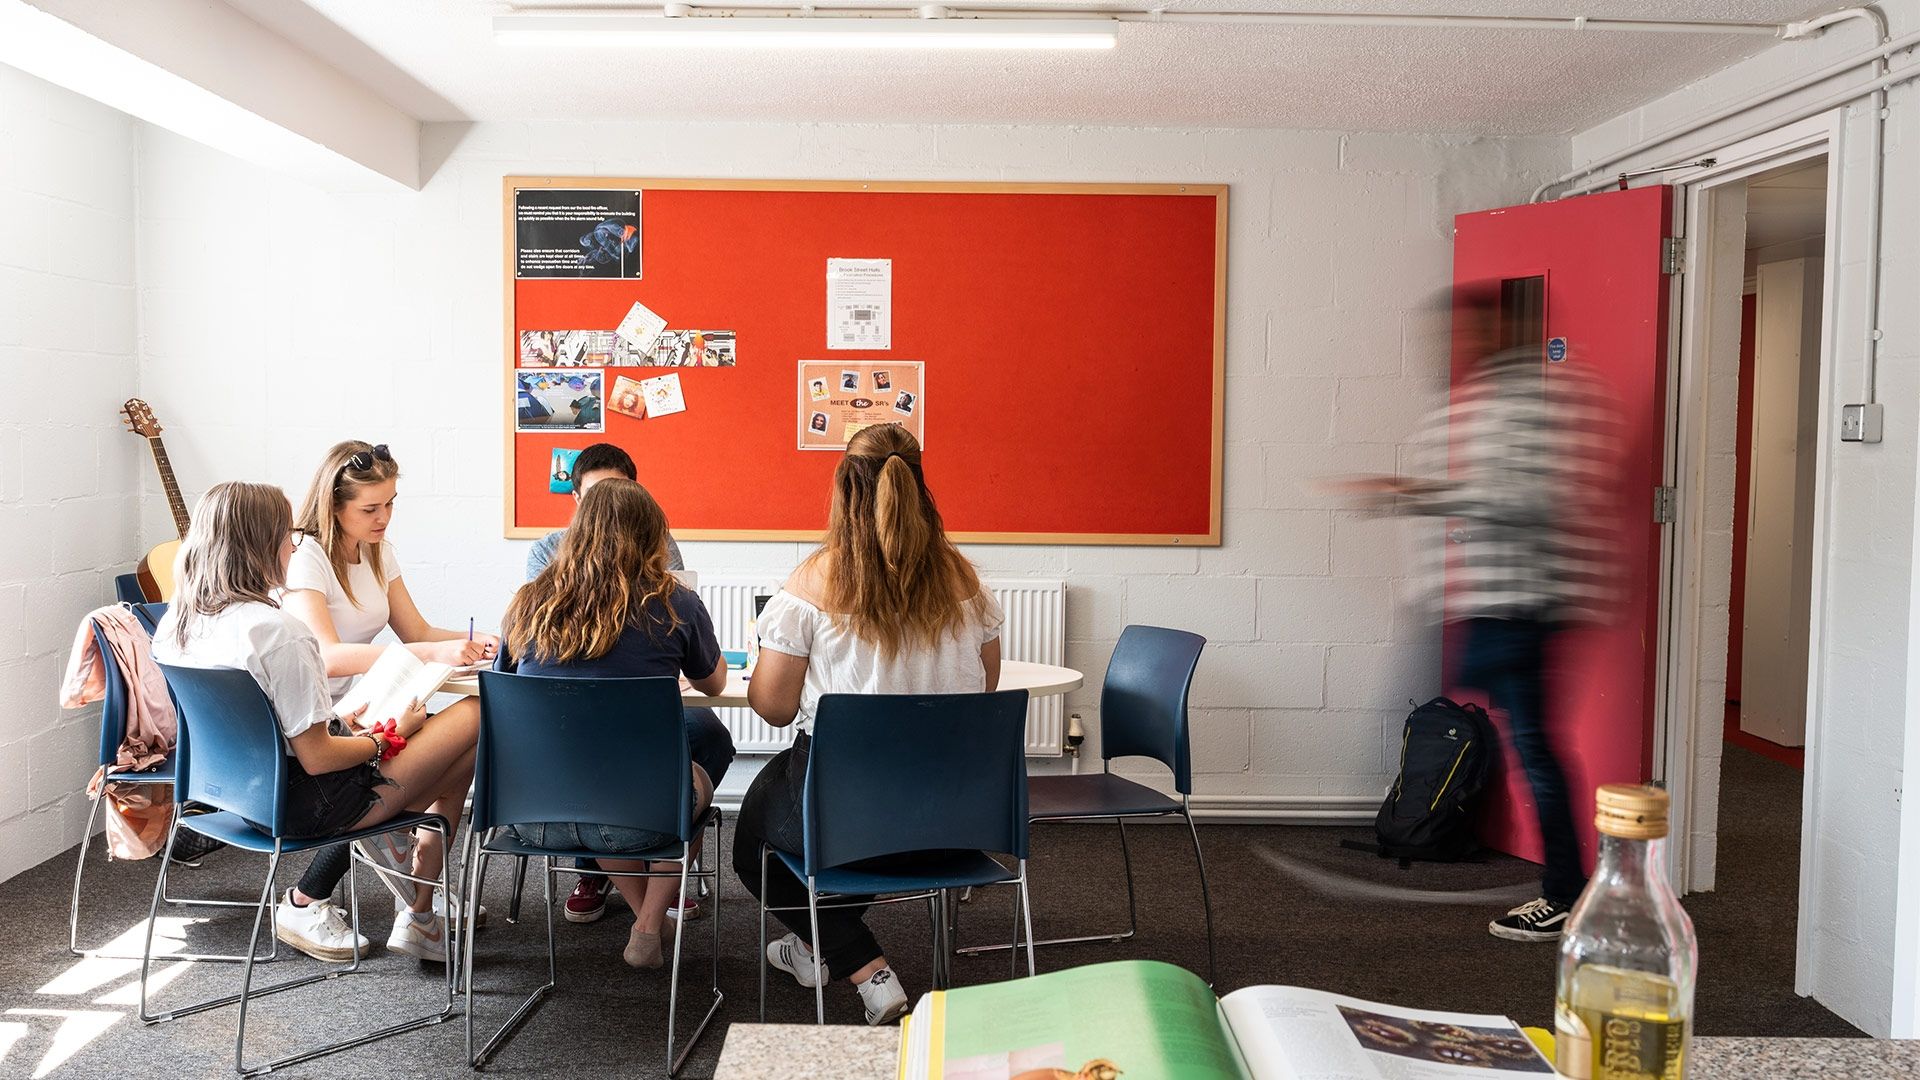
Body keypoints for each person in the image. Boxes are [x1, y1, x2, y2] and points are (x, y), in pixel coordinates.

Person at [1344, 285, 1616, 943]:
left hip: (1529, 601)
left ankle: (1565, 894)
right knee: (1524, 741)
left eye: (1462, 336)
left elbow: (1522, 499)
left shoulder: (1535, 400)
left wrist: (1415, 492)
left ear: (1496, 331)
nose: (1450, 351)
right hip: (1501, 601)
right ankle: (1568, 886)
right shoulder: (1490, 400)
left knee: (1535, 748)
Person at [737, 423, 1004, 1025]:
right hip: (951, 816)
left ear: (843, 487)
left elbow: (775, 707)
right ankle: (817, 945)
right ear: (917, 484)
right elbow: (984, 687)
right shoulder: (965, 582)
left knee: (753, 842)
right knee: (835, 833)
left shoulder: (810, 584)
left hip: (848, 813)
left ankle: (864, 967)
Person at [151, 482, 480, 963]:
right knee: (472, 716)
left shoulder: (177, 623)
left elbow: (269, 724)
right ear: (262, 544)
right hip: (311, 804)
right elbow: (320, 757)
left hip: (238, 796)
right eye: (287, 534)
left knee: (455, 755)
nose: (294, 545)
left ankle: (418, 906)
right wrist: (384, 738)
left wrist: (340, 722)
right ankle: (417, 909)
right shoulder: (279, 632)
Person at [495, 479, 734, 968]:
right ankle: (648, 924)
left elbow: (505, 690)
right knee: (694, 784)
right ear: (652, 537)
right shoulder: (675, 603)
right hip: (632, 818)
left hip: (532, 816)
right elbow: (713, 684)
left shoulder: (526, 603)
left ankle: (649, 920)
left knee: (596, 791)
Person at [279, 440, 494, 963]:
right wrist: (426, 651)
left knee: (465, 749)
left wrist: (479, 643)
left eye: (391, 503)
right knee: (476, 717)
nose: (384, 517)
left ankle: (418, 901)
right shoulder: (305, 556)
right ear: (334, 505)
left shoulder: (378, 549)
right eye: (370, 509)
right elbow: (327, 656)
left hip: (365, 706)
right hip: (320, 723)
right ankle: (320, 898)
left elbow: (415, 630)